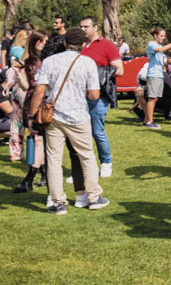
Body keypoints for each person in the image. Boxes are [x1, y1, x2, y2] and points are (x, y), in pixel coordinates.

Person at [32, 27, 109, 214]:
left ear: (65, 43)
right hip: (78, 115)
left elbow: (39, 90)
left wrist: (33, 115)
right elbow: (94, 94)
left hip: (54, 115)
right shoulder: (88, 62)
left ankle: (58, 202)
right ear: (83, 45)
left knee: (54, 159)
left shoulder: (49, 61)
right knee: (87, 156)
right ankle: (93, 197)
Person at [80, 17, 123, 178]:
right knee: (80, 133)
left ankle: (106, 162)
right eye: (81, 27)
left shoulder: (107, 45)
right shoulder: (79, 46)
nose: (83, 29)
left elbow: (119, 70)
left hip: (99, 94)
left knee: (97, 131)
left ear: (95, 27)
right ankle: (84, 167)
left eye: (86, 26)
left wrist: (97, 73)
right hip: (78, 95)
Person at [14, 30, 49, 194]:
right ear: (34, 43)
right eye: (40, 41)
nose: (44, 44)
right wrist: (18, 72)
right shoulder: (26, 61)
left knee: (41, 141)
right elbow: (25, 86)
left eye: (46, 41)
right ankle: (40, 176)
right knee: (38, 140)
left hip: (48, 102)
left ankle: (32, 178)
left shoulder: (50, 59)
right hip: (33, 102)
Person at [144, 27, 171, 129]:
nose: (163, 38)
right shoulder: (152, 45)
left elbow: (163, 59)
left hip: (159, 75)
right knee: (152, 98)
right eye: (161, 36)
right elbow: (160, 50)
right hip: (153, 75)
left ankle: (147, 120)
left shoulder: (159, 45)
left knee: (155, 98)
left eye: (164, 36)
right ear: (155, 35)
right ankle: (150, 121)